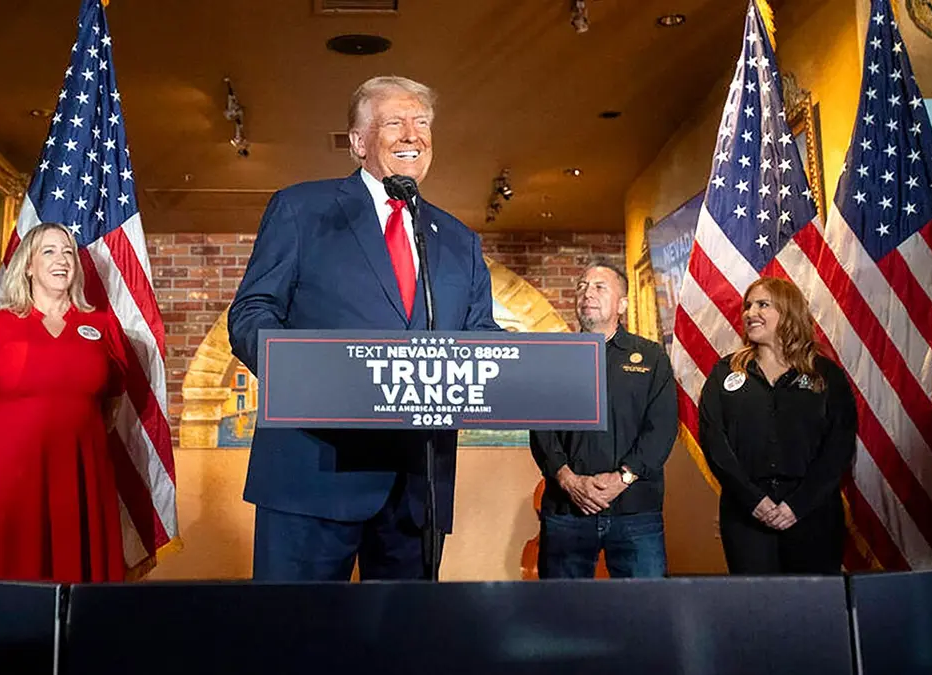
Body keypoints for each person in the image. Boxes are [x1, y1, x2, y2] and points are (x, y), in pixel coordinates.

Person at [228, 75, 500, 581]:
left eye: (422, 123)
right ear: (357, 142)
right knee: (295, 645)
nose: (412, 135)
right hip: (312, 474)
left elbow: (481, 337)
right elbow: (252, 313)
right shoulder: (301, 210)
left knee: (401, 650)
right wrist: (305, 373)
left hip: (417, 490)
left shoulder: (459, 240)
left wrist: (540, 368)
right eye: (394, 122)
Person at [0, 222, 127, 583]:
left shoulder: (103, 325)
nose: (61, 259)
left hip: (80, 474)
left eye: (68, 252)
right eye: (49, 250)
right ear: (28, 265)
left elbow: (113, 405)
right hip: (7, 476)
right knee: (2, 574)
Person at [699, 277, 857, 575]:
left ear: (788, 312)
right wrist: (753, 500)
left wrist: (798, 505)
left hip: (812, 513)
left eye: (762, 304)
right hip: (746, 515)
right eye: (748, 306)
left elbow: (839, 446)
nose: (750, 313)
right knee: (757, 611)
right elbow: (714, 442)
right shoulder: (725, 373)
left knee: (813, 611)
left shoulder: (826, 374)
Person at [529, 263, 677, 578]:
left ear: (622, 304)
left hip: (636, 511)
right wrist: (570, 480)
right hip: (567, 510)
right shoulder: (551, 356)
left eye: (599, 287)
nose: (587, 293)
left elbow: (662, 429)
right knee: (560, 615)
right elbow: (541, 430)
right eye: (582, 286)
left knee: (644, 614)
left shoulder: (651, 358)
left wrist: (621, 479)